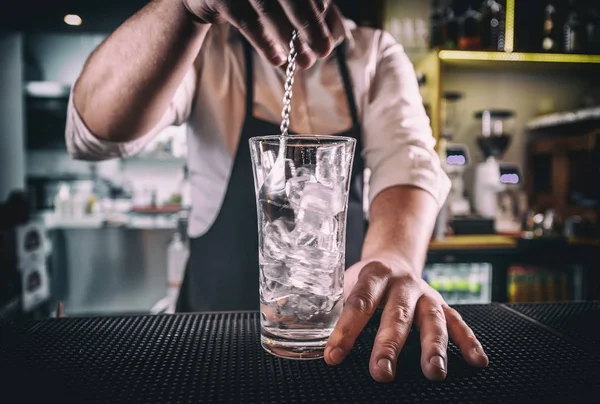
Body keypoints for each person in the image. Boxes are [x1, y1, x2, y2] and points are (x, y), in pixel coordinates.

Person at [65, 0, 489, 383]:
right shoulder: (205, 46)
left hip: (339, 337)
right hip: (210, 338)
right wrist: (186, 9)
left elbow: (408, 163)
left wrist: (393, 257)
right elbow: (93, 135)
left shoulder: (374, 52)